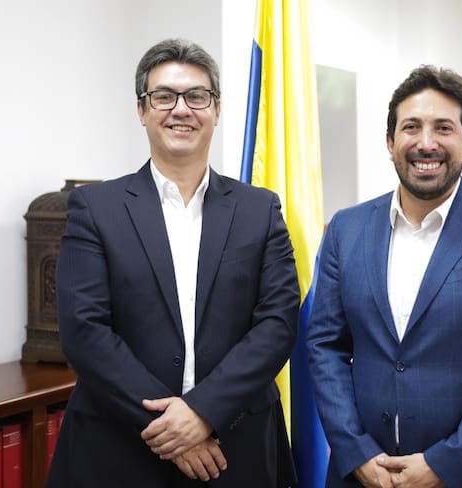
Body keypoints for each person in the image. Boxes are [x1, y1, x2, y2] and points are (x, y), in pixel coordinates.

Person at [47, 38, 300, 488]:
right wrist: (173, 427)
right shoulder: (95, 207)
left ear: (216, 110)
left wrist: (203, 412)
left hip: (234, 447)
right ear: (142, 110)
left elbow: (277, 324)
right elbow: (84, 330)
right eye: (164, 96)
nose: (181, 109)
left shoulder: (260, 209)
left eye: (197, 96)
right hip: (119, 447)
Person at [307, 65, 462, 488]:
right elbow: (325, 347)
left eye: (443, 128)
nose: (426, 143)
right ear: (390, 142)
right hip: (363, 475)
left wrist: (445, 464)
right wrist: (356, 452)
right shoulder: (345, 229)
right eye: (411, 127)